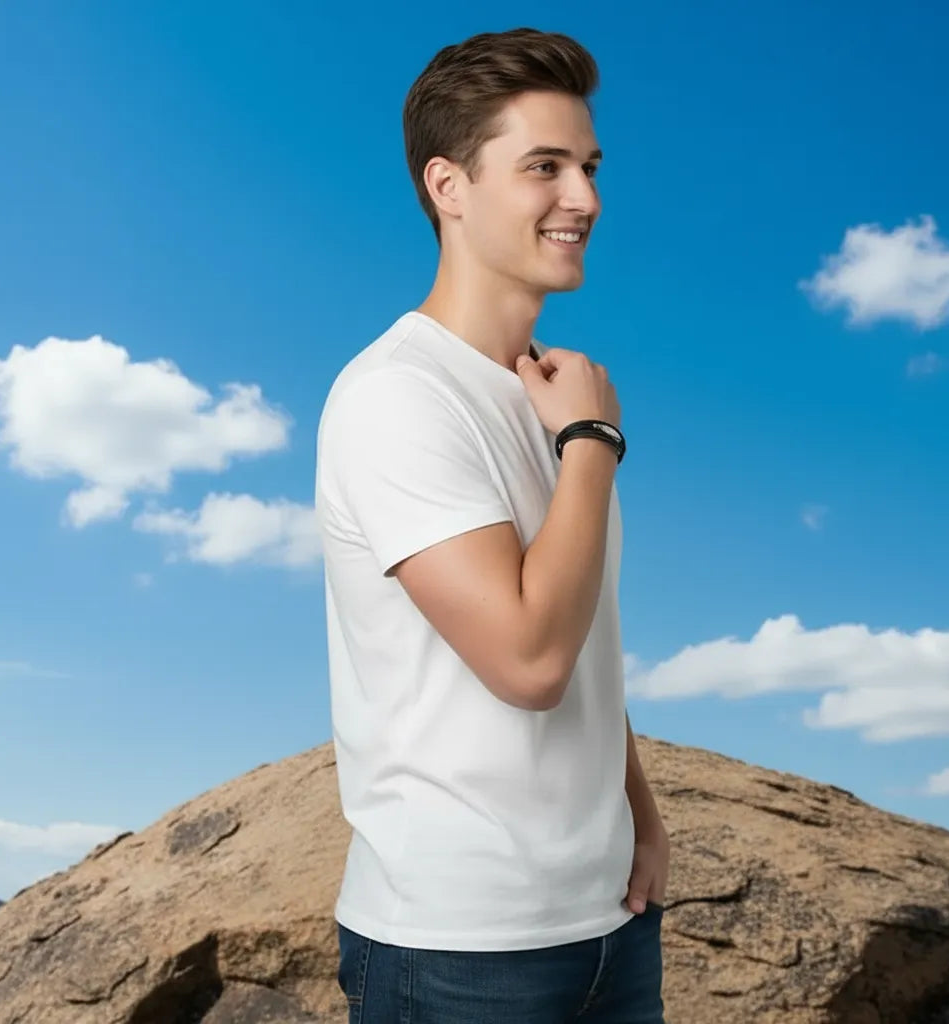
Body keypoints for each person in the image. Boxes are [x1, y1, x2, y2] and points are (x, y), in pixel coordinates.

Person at [315, 26, 671, 1023]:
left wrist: (640, 815)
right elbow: (527, 660)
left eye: (590, 166)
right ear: (449, 186)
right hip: (461, 950)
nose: (586, 199)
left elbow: (583, 632)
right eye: (544, 167)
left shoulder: (552, 398)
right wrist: (594, 441)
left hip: (609, 922)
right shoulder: (398, 396)